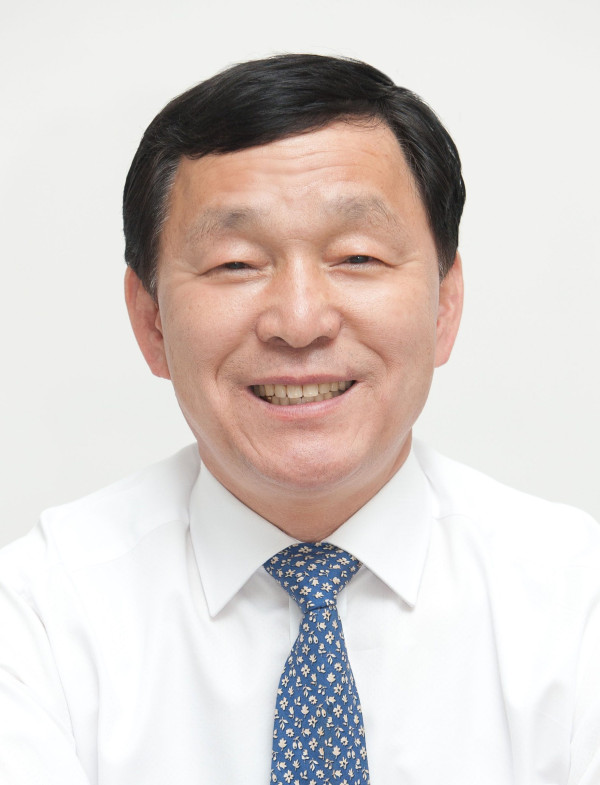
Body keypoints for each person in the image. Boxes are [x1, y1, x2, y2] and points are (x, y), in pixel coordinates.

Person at [0, 54, 599, 785]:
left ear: (444, 305)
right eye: (235, 264)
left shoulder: (577, 605)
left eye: (357, 256)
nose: (300, 320)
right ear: (151, 321)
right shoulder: (36, 618)